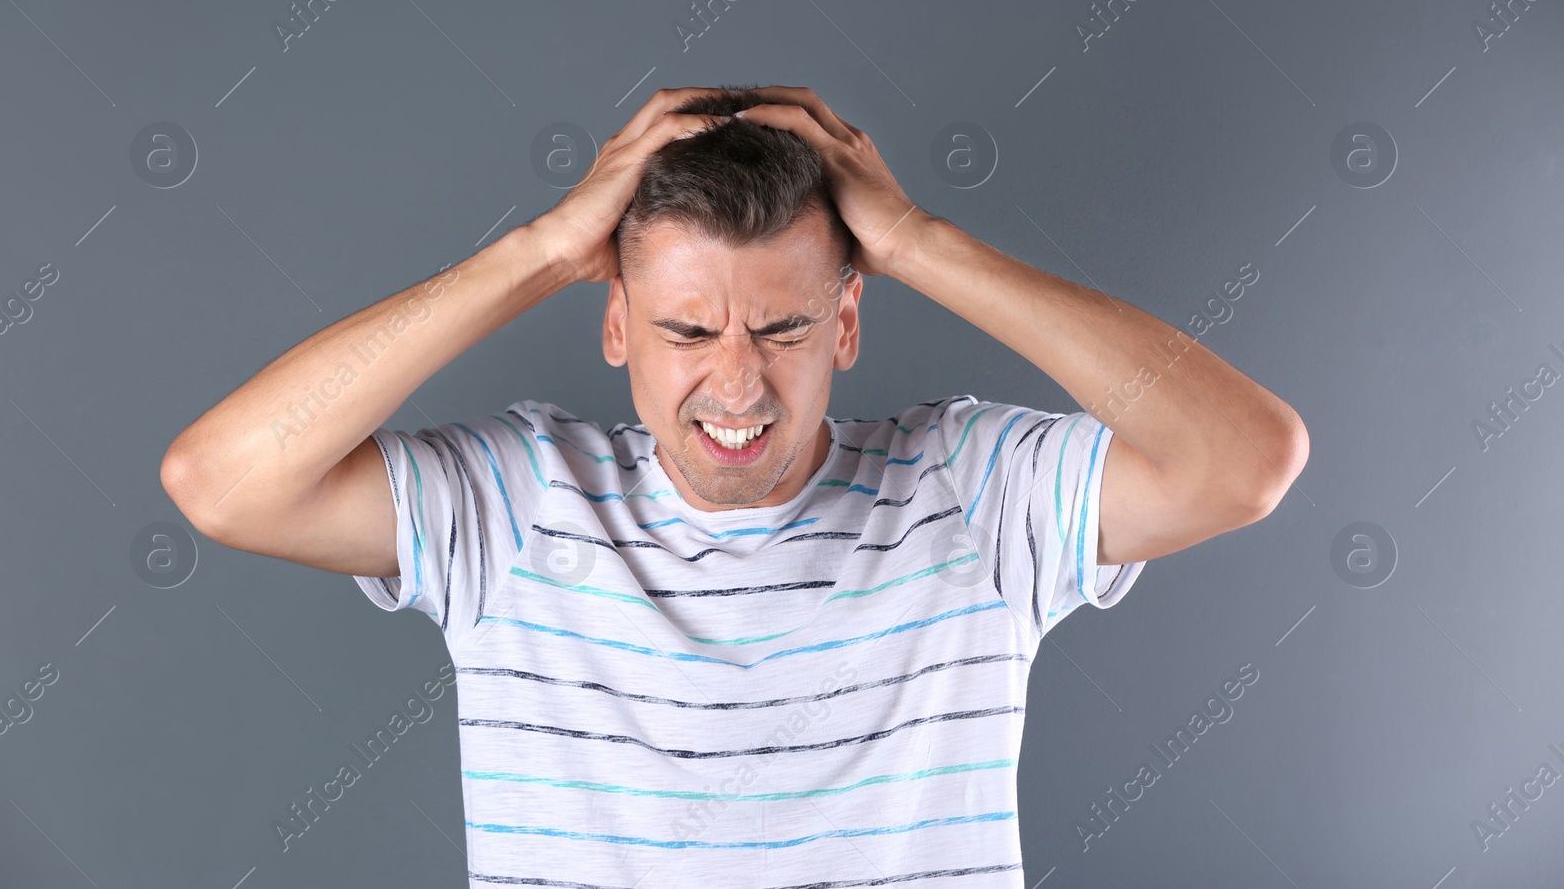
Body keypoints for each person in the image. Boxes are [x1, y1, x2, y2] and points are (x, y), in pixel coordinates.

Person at [160, 84, 1307, 887]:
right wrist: (543, 251)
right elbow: (222, 480)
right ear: (615, 322)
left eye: (784, 324)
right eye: (687, 327)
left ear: (846, 322)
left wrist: (911, 238)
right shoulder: (517, 506)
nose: (737, 379)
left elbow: (1244, 458)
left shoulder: (974, 491)